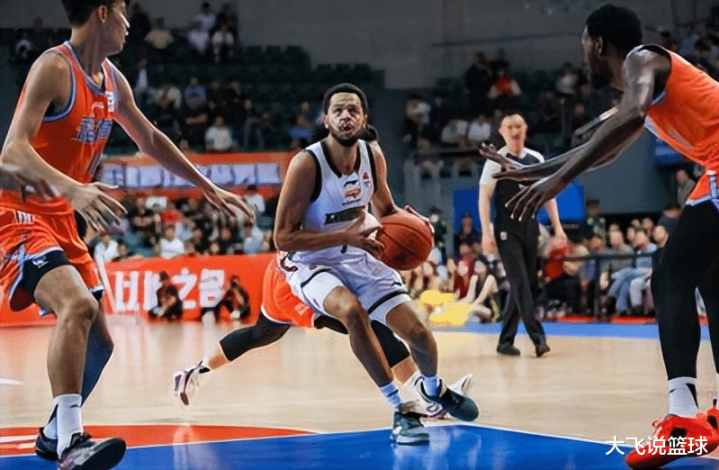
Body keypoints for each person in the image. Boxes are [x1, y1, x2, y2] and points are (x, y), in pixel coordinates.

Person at [0, 2, 253, 469]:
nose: (129, 22)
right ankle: (71, 441)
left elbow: (150, 138)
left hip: (61, 215)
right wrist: (74, 189)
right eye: (122, 10)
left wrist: (206, 185)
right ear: (102, 12)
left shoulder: (113, 80)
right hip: (18, 211)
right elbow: (11, 152)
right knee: (78, 305)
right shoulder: (54, 68)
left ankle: (52, 433)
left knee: (102, 344)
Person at [480, 4, 719, 468]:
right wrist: (532, 171)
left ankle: (683, 418)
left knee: (669, 276)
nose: (583, 54)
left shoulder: (642, 59)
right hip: (712, 169)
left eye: (583, 45)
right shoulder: (644, 88)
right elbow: (603, 150)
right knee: (710, 281)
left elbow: (627, 118)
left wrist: (558, 180)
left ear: (596, 43)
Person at [271, 83, 478, 445]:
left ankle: (433, 391)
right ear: (326, 120)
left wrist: (415, 224)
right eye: (338, 110)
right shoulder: (306, 164)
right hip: (311, 261)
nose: (345, 116)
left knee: (418, 333)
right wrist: (344, 236)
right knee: (352, 312)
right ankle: (401, 409)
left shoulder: (373, 156)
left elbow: (385, 209)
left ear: (364, 119)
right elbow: (283, 237)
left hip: (358, 252)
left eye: (352, 110)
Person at [173, 255, 474, 421]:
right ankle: (425, 395)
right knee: (366, 326)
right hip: (290, 282)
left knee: (261, 333)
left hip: (317, 266)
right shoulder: (309, 179)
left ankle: (196, 372)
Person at [478, 110, 566, 357]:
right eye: (510, 127)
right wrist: (485, 233)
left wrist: (558, 227)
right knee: (519, 283)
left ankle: (505, 341)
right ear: (502, 131)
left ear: (526, 129)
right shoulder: (495, 160)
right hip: (507, 229)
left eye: (519, 126)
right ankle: (538, 338)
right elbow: (484, 198)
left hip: (530, 227)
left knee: (525, 284)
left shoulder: (535, 158)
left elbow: (548, 195)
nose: (515, 131)